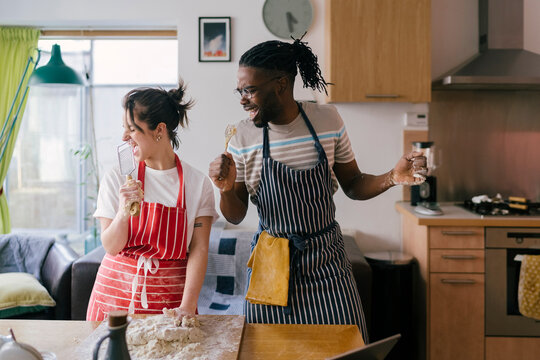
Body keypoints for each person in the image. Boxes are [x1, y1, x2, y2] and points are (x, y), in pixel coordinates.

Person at [208, 37, 427, 342]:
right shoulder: (243, 137)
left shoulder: (327, 120)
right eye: (240, 91)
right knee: (269, 351)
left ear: (281, 84)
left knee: (347, 347)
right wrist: (226, 190)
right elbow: (235, 215)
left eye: (250, 90)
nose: (243, 100)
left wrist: (392, 177)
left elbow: (353, 184)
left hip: (327, 262)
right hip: (271, 265)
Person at [87, 81, 219, 321]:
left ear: (159, 130)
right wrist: (124, 212)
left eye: (132, 128)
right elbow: (111, 246)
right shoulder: (117, 176)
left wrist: (188, 306)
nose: (124, 136)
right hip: (113, 302)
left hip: (171, 306)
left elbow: (199, 249)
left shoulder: (197, 184)